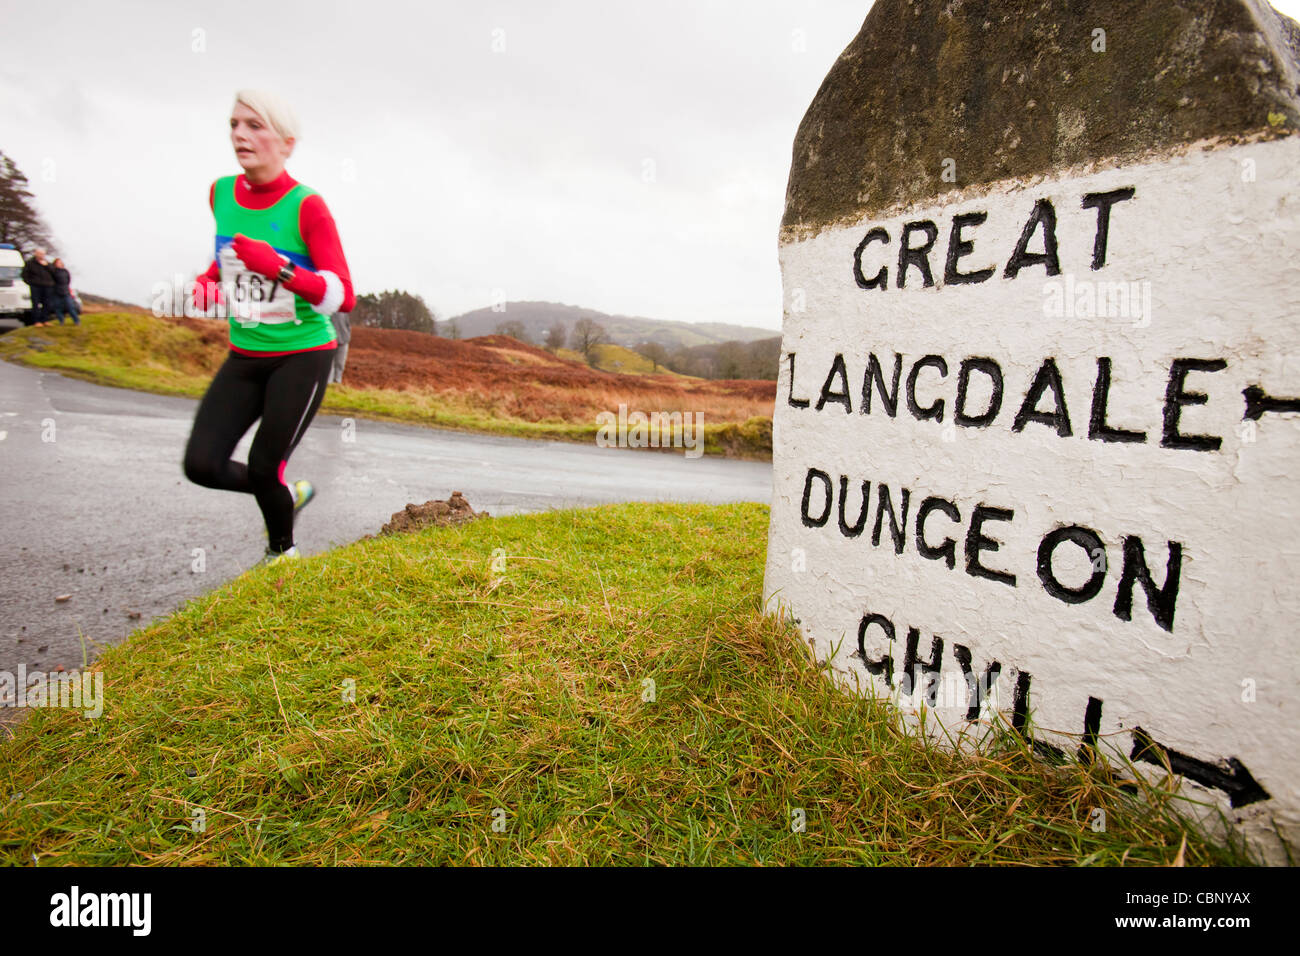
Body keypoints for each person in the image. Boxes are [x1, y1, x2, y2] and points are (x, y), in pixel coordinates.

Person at [182, 89, 355, 568]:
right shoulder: (221, 193)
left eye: (255, 125)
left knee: (263, 466)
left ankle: (283, 557)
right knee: (201, 465)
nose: (240, 134)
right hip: (244, 356)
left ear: (286, 142)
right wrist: (208, 280)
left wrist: (280, 268)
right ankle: (287, 495)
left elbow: (343, 294)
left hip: (302, 355)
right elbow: (227, 260)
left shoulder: (308, 206)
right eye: (235, 124)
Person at [21, 247, 54, 326]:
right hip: (35, 286)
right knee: (35, 304)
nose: (41, 255)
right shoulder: (30, 263)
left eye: (43, 254)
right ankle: (37, 321)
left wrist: (46, 266)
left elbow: (54, 273)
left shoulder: (48, 263)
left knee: (47, 303)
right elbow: (24, 275)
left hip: (47, 286)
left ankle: (45, 320)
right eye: (40, 254)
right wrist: (31, 283)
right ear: (35, 254)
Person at [49, 258, 80, 325]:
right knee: (58, 308)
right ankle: (61, 321)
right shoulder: (53, 272)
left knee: (70, 306)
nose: (59, 263)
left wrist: (66, 288)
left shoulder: (65, 271)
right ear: (55, 264)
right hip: (56, 292)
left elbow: (68, 280)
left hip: (65, 291)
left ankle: (76, 321)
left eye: (60, 262)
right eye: (58, 262)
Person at [328, 310, 350, 384]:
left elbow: (348, 325)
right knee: (331, 364)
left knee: (340, 363)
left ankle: (337, 382)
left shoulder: (344, 312)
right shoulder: (328, 312)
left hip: (343, 341)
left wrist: (347, 337)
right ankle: (329, 383)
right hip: (331, 341)